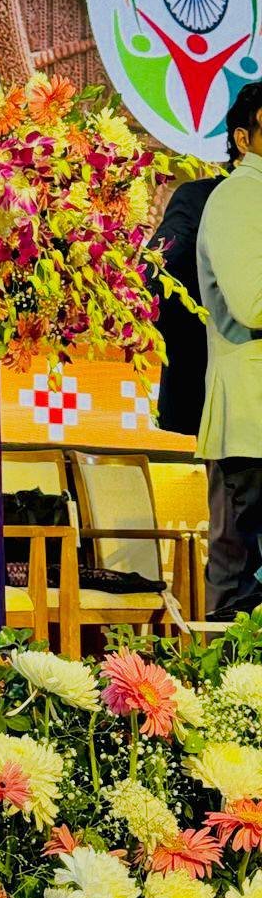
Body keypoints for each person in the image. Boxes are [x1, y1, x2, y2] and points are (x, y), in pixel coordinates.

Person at [151, 105, 250, 620]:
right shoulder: (203, 198)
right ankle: (231, 663)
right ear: (243, 139)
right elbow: (159, 274)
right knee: (236, 549)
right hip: (231, 391)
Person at [196, 79, 262, 618]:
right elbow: (252, 302)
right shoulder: (241, 195)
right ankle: (229, 674)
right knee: (239, 582)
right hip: (251, 420)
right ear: (244, 138)